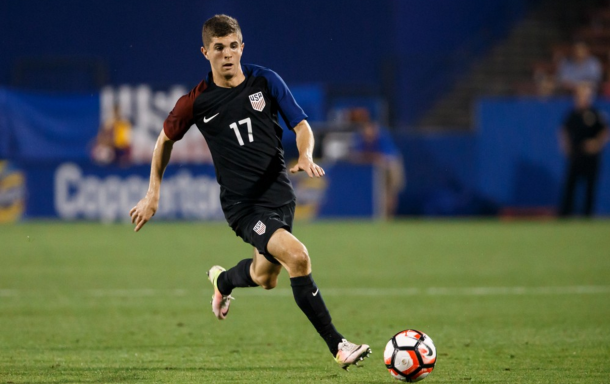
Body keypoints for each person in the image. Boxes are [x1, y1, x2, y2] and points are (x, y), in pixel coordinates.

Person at [129, 14, 371, 369]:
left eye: (232, 46)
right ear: (205, 52)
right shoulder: (196, 102)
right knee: (298, 257)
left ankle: (223, 280)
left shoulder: (265, 81)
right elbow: (164, 140)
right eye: (218, 48)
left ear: (242, 47)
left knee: (265, 277)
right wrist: (153, 193)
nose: (227, 54)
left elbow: (301, 125)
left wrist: (304, 154)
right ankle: (339, 345)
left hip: (280, 196)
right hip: (243, 206)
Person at [558, 84, 609, 217]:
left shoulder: (595, 114)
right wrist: (566, 148)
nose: (582, 98)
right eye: (580, 95)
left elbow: (605, 131)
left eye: (585, 95)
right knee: (570, 185)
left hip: (591, 157)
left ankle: (588, 215)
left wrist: (596, 144)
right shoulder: (573, 115)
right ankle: (565, 214)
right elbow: (563, 131)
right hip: (576, 155)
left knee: (590, 187)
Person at [349, 108, 405, 218]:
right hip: (375, 169)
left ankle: (389, 217)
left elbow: (386, 157)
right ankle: (382, 217)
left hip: (391, 165)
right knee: (381, 194)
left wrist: (370, 157)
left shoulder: (381, 135)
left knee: (390, 193)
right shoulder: (361, 137)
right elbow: (357, 156)